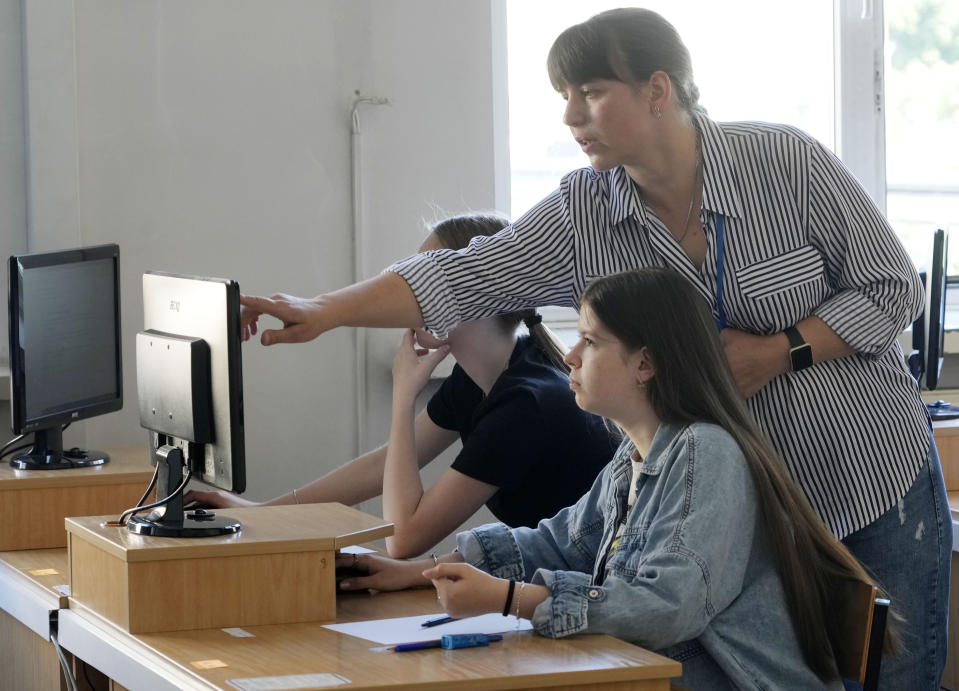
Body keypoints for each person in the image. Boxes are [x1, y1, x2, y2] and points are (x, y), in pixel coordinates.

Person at [239, 9, 948, 687]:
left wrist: (782, 349)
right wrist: (323, 309)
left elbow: (892, 289)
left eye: (591, 92)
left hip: (864, 477)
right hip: (739, 512)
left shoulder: (782, 162)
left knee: (893, 673)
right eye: (563, 96)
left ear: (657, 89)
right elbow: (462, 270)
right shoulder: (585, 210)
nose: (571, 115)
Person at [337, 267, 888, 689]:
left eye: (591, 342)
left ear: (645, 364)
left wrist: (510, 599)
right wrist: (417, 573)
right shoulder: (635, 454)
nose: (570, 357)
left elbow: (668, 607)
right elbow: (561, 542)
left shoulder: (705, 452)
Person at [189, 213, 618, 558]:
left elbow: (405, 539)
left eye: (424, 283)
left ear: (471, 291)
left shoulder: (526, 404)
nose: (413, 298)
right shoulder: (484, 376)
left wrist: (402, 395)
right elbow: (386, 466)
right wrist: (264, 515)